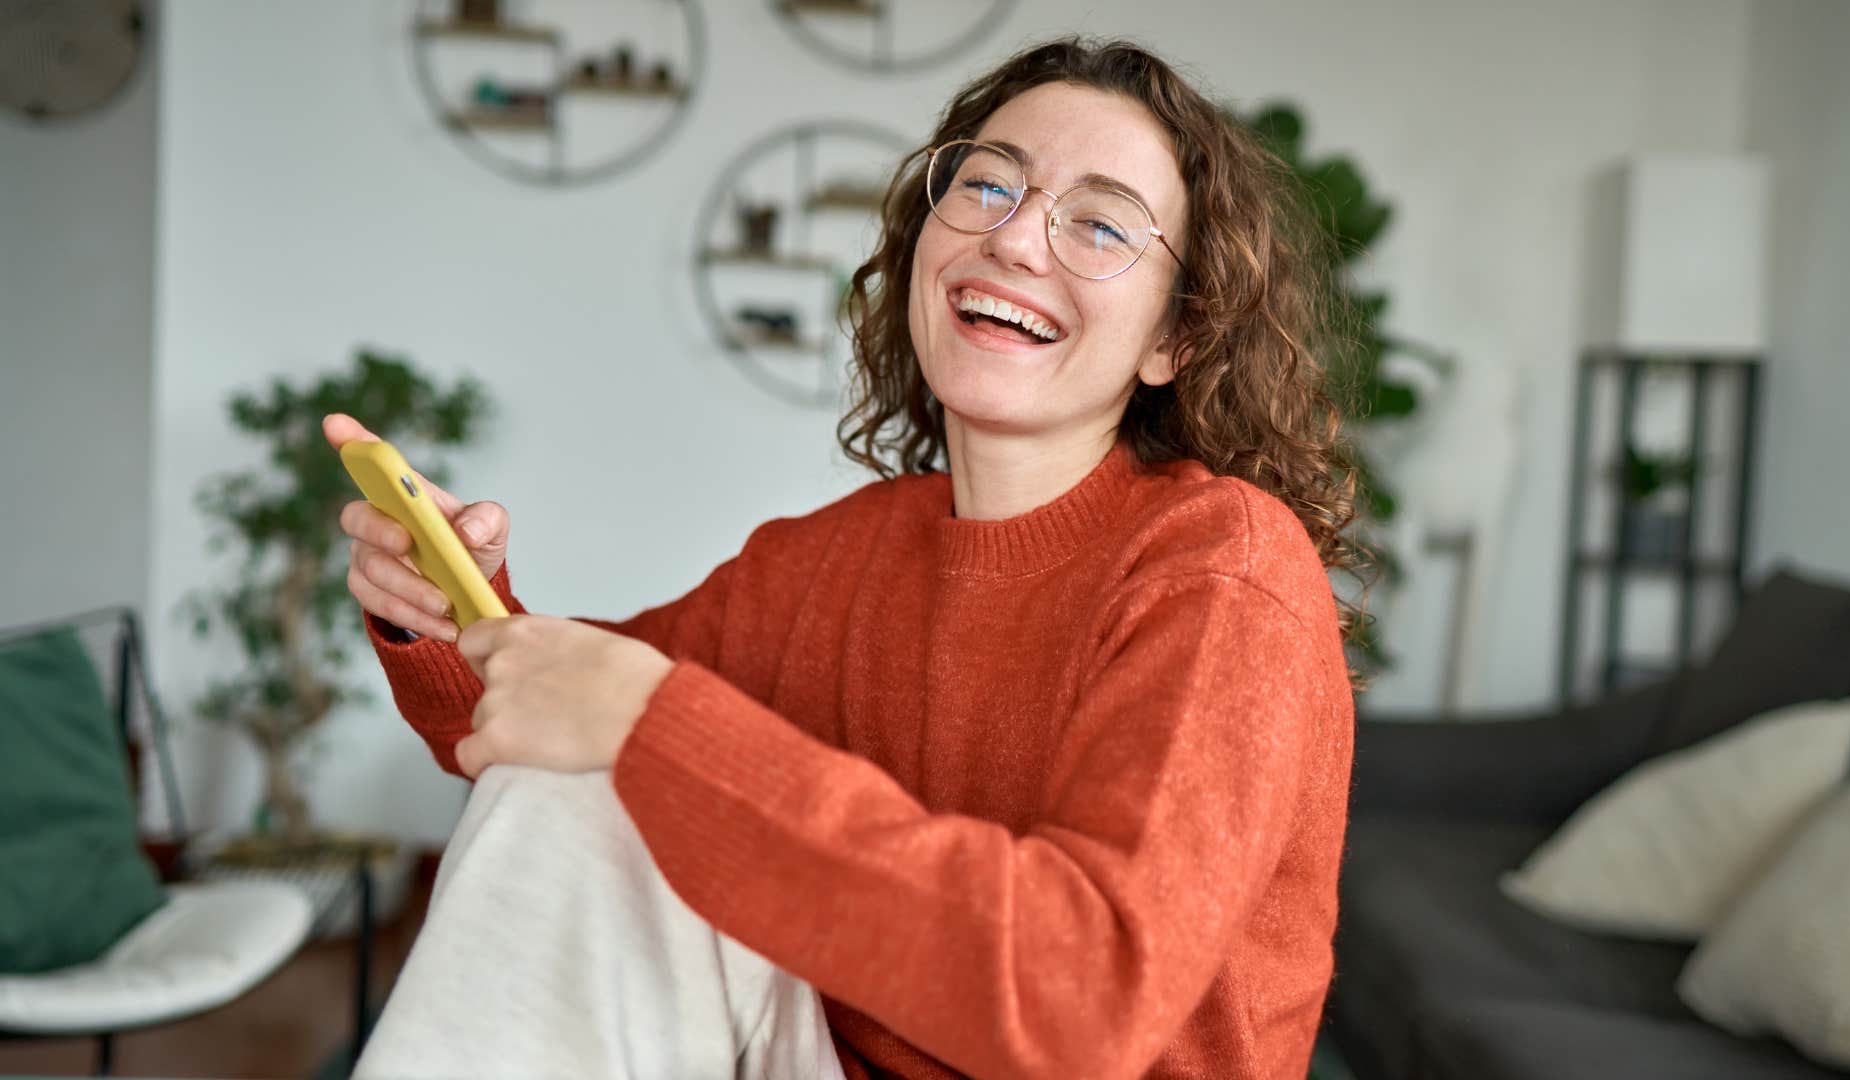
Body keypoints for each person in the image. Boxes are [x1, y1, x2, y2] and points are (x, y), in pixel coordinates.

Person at [330, 35, 1362, 1080]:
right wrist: (449, 612)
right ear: (924, 240)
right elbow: (532, 733)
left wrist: (656, 723)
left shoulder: (1223, 569)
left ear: (1173, 340)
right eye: (988, 185)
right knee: (572, 795)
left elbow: (1086, 1005)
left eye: (1099, 224)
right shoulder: (834, 561)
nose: (1016, 242)